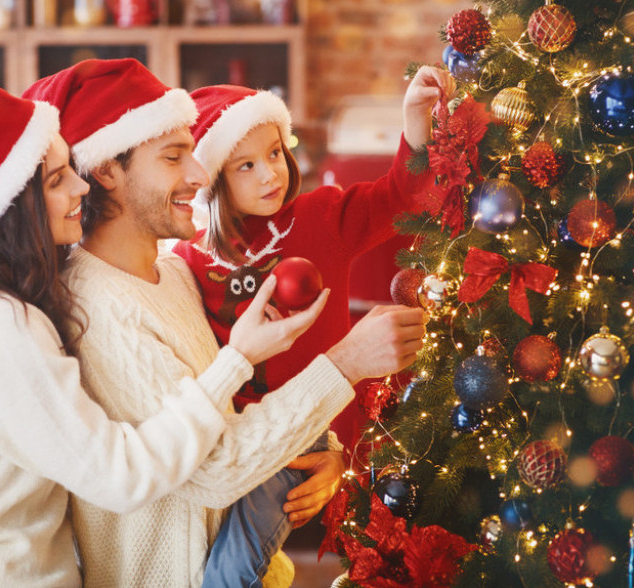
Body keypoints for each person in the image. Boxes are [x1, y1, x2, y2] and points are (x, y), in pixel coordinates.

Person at [0, 82, 333, 588]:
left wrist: (319, 446)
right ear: (11, 205)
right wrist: (244, 360)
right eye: (57, 178)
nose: (80, 186)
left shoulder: (8, 304)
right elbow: (120, 474)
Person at [22, 58, 428, 587]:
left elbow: (228, 421)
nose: (199, 174)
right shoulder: (104, 305)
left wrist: (323, 452)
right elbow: (217, 470)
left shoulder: (172, 275)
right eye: (174, 157)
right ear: (106, 171)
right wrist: (345, 363)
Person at [169, 67, 454, 587]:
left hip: (305, 434)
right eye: (246, 165)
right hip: (235, 442)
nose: (269, 175)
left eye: (275, 154)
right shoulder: (190, 258)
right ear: (212, 180)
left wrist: (415, 122)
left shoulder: (322, 216)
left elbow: (398, 195)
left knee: (235, 565)